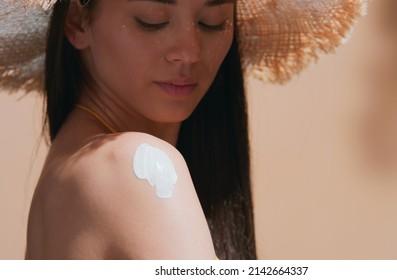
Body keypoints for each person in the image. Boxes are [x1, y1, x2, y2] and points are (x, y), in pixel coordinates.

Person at [0, 0, 364, 259]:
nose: (189, 51)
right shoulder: (132, 168)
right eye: (153, 19)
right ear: (78, 20)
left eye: (212, 21)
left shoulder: (69, 172)